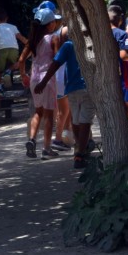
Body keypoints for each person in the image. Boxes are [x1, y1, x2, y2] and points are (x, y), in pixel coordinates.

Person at [34, 31, 95, 169]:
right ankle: (80, 152)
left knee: (76, 120)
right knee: (85, 121)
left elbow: (55, 63)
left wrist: (43, 82)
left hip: (72, 89)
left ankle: (79, 150)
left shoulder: (68, 45)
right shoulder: (94, 43)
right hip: (89, 88)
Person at [18, 7, 62, 159]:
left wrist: (23, 75)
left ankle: (31, 140)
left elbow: (21, 60)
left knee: (38, 112)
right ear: (50, 24)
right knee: (49, 115)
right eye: (54, 21)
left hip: (34, 78)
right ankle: (47, 149)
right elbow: (57, 59)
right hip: (47, 79)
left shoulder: (32, 41)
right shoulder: (53, 38)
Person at [0, 8, 27, 89]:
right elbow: (20, 37)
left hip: (0, 49)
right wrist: (30, 43)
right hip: (13, 48)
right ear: (6, 18)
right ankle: (8, 71)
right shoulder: (13, 27)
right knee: (16, 63)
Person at [109, 5, 128, 118]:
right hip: (123, 76)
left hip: (107, 76)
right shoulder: (123, 35)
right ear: (120, 19)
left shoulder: (100, 34)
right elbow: (124, 55)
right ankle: (123, 130)